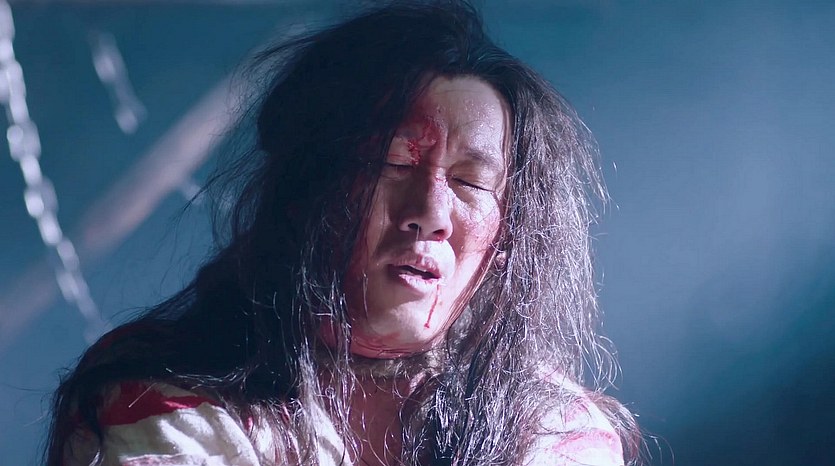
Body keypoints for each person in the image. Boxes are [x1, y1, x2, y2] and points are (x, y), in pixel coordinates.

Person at [46, 1, 642, 465]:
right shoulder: (154, 394)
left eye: (469, 182)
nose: (430, 212)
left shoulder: (554, 432)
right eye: (394, 162)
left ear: (507, 237)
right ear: (305, 187)